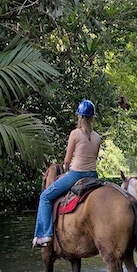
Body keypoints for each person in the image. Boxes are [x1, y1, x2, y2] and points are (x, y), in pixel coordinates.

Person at [32, 100, 101, 248]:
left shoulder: (75, 134)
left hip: (76, 174)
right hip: (93, 175)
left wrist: (66, 168)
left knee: (45, 196)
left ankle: (45, 235)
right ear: (92, 118)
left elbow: (67, 160)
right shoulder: (97, 137)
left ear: (79, 117)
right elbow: (94, 157)